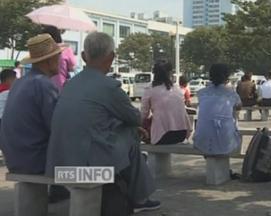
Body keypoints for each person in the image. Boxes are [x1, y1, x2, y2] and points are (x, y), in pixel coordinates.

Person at [45, 32, 160, 213]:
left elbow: (91, 118)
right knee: (131, 133)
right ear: (112, 57)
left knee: (123, 132)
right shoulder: (109, 87)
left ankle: (135, 194)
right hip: (86, 169)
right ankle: (139, 197)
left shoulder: (70, 85)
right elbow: (135, 117)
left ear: (83, 56)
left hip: (58, 165)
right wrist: (129, 125)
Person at [0, 34, 61, 175]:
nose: (60, 60)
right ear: (49, 60)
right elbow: (56, 126)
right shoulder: (43, 84)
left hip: (15, 158)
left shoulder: (19, 83)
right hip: (36, 161)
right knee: (94, 172)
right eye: (57, 56)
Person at [193, 63, 242, 156]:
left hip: (202, 140)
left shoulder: (201, 93)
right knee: (236, 133)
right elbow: (239, 106)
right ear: (227, 76)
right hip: (226, 141)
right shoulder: (231, 94)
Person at [141, 61, 191, 145]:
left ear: (154, 74)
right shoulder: (177, 89)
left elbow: (143, 114)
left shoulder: (150, 89)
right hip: (181, 134)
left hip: (162, 136)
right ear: (170, 73)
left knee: (145, 124)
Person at [42, 25, 76, 91]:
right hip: (62, 86)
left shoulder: (42, 51)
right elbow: (72, 67)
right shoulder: (66, 49)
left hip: (44, 86)